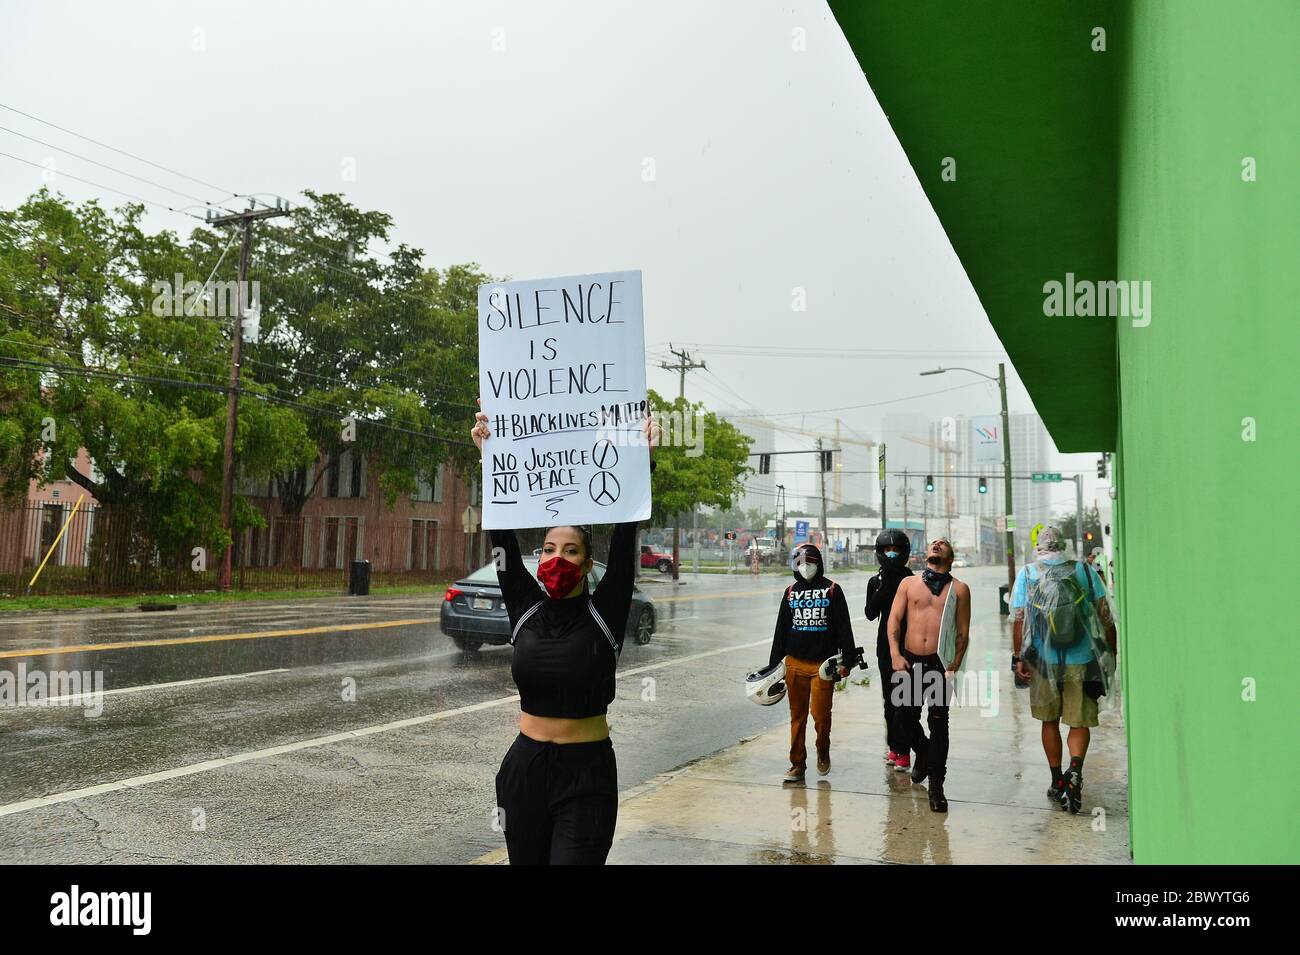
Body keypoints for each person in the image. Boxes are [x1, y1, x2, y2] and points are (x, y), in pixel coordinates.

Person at [472, 406, 658, 864]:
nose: (556, 558)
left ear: (587, 563)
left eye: (570, 550)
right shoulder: (525, 607)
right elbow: (500, 541)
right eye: (549, 549)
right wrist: (490, 456)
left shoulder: (605, 611)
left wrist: (640, 462)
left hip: (587, 776)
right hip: (523, 773)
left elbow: (624, 536)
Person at [1012, 527, 1117, 814]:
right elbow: (1105, 616)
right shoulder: (1084, 571)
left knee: (1049, 721)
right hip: (1080, 659)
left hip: (1043, 661)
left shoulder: (1028, 574)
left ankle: (1057, 780)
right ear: (1064, 546)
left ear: (1039, 547)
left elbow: (1019, 618)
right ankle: (1075, 771)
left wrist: (1019, 657)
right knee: (1078, 721)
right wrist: (1111, 652)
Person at [886, 538, 970, 812]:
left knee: (938, 723)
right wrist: (895, 655)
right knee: (902, 720)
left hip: (939, 665)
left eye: (942, 543)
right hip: (910, 662)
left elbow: (962, 633)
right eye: (933, 542)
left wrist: (953, 666)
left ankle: (937, 785)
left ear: (950, 555)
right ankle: (922, 751)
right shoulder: (909, 584)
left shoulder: (959, 589)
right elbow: (894, 621)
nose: (936, 544)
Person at [767, 542, 857, 782]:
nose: (805, 567)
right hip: (794, 663)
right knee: (797, 717)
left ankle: (822, 750)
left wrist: (847, 660)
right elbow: (781, 631)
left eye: (810, 562)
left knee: (821, 717)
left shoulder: (833, 590)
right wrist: (773, 667)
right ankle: (797, 764)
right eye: (800, 563)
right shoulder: (790, 592)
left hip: (823, 667)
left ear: (819, 563)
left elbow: (844, 628)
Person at [864, 529, 915, 771]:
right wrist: (884, 586)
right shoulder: (875, 582)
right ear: (880, 553)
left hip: (909, 646)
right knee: (889, 701)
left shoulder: (914, 580)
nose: (892, 554)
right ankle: (893, 747)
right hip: (885, 647)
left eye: (896, 550)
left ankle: (904, 751)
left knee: (903, 700)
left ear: (904, 553)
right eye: (887, 550)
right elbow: (870, 613)